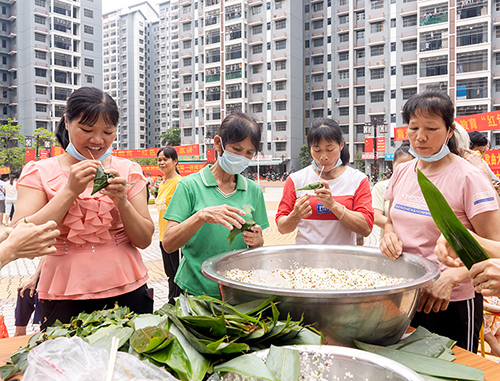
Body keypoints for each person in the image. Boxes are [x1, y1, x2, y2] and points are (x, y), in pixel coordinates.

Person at [13, 87, 155, 329]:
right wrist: (69, 191)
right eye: (87, 130)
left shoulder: (129, 170)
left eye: (108, 132)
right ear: (67, 122)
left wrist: (122, 202)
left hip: (128, 287)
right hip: (64, 292)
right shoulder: (40, 171)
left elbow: (144, 240)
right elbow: (19, 234)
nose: (98, 140)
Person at [380, 90, 500, 352]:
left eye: (431, 128)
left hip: (451, 301)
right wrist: (387, 235)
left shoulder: (469, 177)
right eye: (413, 128)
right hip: (406, 296)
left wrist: (452, 278)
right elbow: (390, 220)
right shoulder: (402, 171)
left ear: (449, 131)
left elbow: (494, 247)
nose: (420, 137)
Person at [162, 112, 269, 298]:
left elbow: (257, 246)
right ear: (218, 143)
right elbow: (169, 244)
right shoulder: (189, 186)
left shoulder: (253, 190)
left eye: (249, 152)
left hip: (237, 291)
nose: (242, 157)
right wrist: (201, 216)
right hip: (193, 290)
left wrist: (257, 242)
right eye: (236, 149)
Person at [276, 118, 373, 245]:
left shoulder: (358, 180)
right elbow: (282, 228)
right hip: (306, 260)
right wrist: (295, 215)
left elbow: (366, 228)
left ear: (341, 145)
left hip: (343, 260)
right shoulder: (296, 180)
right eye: (317, 150)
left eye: (330, 149)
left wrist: (333, 205)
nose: (323, 157)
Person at [155, 147, 182, 304]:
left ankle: (178, 305)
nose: (162, 162)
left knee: (178, 275)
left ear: (175, 161)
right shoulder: (162, 184)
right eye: (159, 160)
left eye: (166, 159)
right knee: (170, 274)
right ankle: (172, 303)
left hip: (176, 238)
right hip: (163, 237)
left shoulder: (179, 183)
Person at [371, 145, 414, 238]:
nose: (404, 170)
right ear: (393, 164)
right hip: (389, 244)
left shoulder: (419, 188)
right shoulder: (381, 187)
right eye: (401, 166)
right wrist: (405, 228)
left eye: (409, 166)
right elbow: (376, 217)